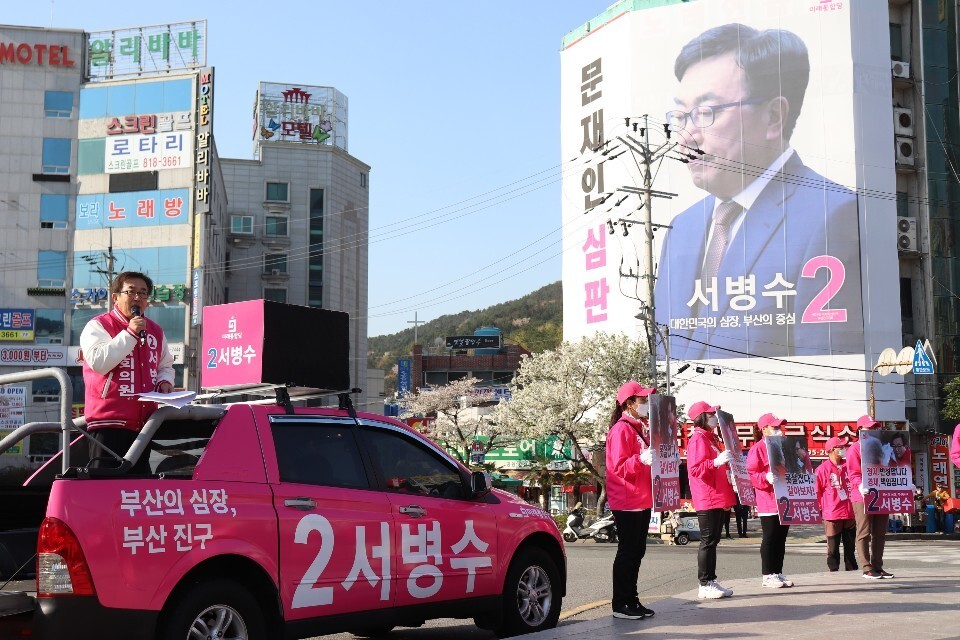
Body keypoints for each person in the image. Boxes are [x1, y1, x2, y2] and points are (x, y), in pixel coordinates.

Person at [654, 22, 863, 360]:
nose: (686, 136)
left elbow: (829, 369)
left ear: (773, 116)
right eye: (680, 116)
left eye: (705, 113)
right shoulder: (682, 228)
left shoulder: (832, 212)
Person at [80, 271, 175, 473]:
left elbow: (165, 366)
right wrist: (130, 333)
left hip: (146, 425)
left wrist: (164, 383)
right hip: (108, 422)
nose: (138, 298)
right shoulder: (98, 325)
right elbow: (100, 363)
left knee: (138, 491)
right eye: (131, 292)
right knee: (106, 488)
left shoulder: (155, 331)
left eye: (143, 293)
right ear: (115, 297)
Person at [604, 381, 658, 620]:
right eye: (642, 400)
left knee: (638, 551)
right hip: (626, 500)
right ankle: (620, 603)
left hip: (642, 498)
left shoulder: (641, 427)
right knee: (628, 552)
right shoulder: (621, 430)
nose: (646, 404)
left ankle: (632, 600)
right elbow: (617, 468)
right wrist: (641, 460)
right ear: (629, 403)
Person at [686, 401, 736, 599]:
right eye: (710, 414)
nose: (714, 417)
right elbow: (695, 469)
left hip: (716, 495)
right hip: (707, 496)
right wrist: (715, 462)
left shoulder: (711, 438)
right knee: (708, 541)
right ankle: (704, 583)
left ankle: (711, 580)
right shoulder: (698, 439)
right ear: (701, 418)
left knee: (713, 540)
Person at [746, 413, 794, 588]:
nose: (779, 430)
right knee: (770, 537)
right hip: (768, 500)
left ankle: (777, 572)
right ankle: (767, 575)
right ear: (764, 429)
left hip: (784, 498)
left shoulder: (783, 447)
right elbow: (751, 474)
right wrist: (765, 477)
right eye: (775, 427)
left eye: (779, 427)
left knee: (781, 538)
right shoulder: (758, 449)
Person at [847, 415, 893, 579]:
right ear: (860, 430)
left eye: (875, 427)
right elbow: (852, 473)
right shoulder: (854, 448)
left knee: (880, 532)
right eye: (869, 427)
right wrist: (860, 484)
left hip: (881, 493)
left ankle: (878, 566)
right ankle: (866, 567)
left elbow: (890, 470)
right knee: (864, 531)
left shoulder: (882, 447)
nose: (874, 430)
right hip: (862, 495)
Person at [814, 436, 858, 572]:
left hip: (850, 511)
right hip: (832, 512)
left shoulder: (849, 466)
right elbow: (817, 492)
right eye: (841, 447)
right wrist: (821, 509)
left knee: (850, 546)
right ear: (833, 450)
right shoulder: (822, 469)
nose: (844, 449)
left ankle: (851, 570)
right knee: (833, 547)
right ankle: (833, 571)